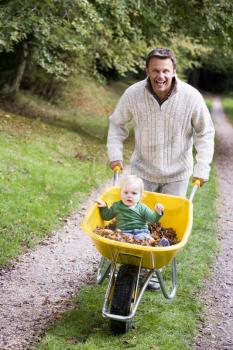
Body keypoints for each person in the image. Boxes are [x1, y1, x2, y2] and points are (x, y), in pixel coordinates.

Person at [107, 48, 215, 197]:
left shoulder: (192, 97)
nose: (161, 76)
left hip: (177, 175)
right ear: (147, 71)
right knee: (138, 219)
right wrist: (115, 154)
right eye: (155, 71)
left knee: (170, 220)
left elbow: (205, 132)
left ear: (174, 71)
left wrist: (202, 167)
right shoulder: (133, 94)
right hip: (142, 174)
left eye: (165, 71)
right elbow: (116, 123)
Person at [96, 175, 167, 244]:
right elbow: (107, 216)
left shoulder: (142, 208)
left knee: (147, 239)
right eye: (126, 192)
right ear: (120, 193)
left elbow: (152, 219)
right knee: (119, 238)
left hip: (141, 231)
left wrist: (157, 212)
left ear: (140, 196)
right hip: (123, 232)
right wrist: (104, 207)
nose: (129, 196)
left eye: (134, 193)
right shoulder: (117, 206)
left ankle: (158, 245)